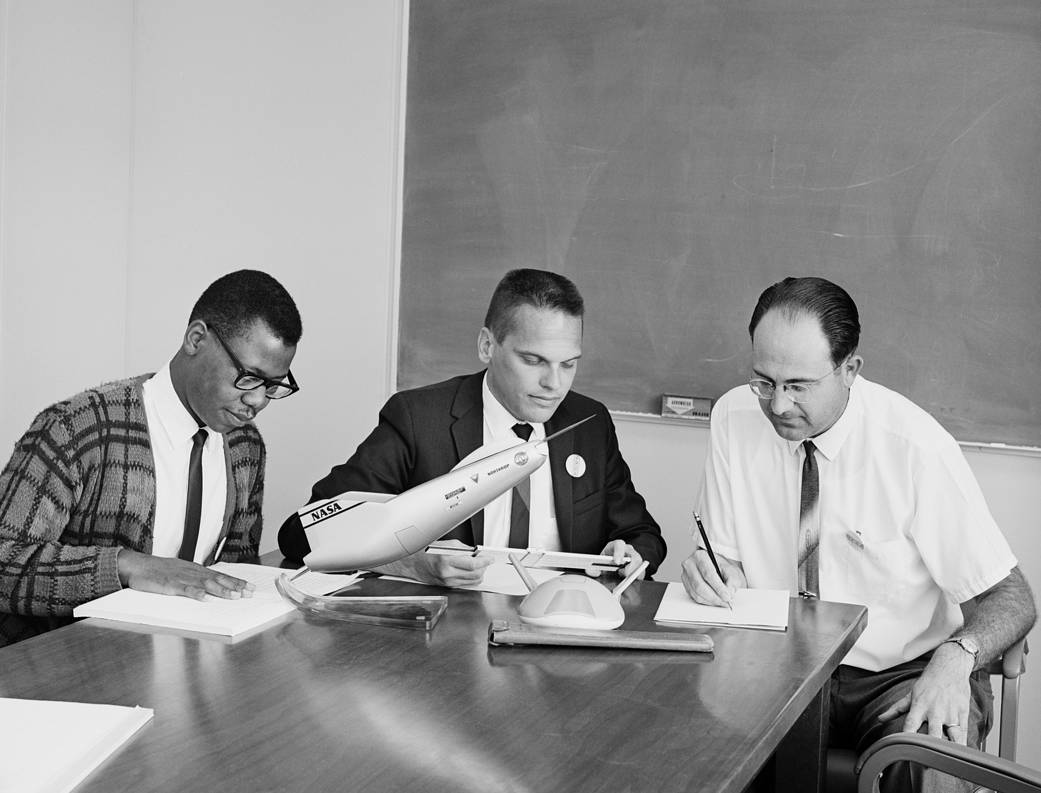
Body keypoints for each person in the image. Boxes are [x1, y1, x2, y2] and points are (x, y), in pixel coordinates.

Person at [680, 276, 1035, 793]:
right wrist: (709, 573)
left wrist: (957, 658)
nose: (777, 405)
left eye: (799, 386)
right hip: (776, 661)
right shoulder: (734, 417)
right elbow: (724, 560)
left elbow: (1011, 597)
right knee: (682, 745)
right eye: (764, 381)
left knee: (923, 763)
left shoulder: (914, 447)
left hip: (899, 671)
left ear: (850, 370)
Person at [279, 268, 665, 586]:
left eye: (569, 364)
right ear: (487, 346)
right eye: (534, 361)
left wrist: (628, 553)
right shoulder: (418, 419)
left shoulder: (589, 423)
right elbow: (305, 533)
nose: (555, 384)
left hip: (562, 635)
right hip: (449, 640)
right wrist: (411, 565)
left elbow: (643, 535)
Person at [0, 269, 302, 648]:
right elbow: (5, 562)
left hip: (187, 672)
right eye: (249, 377)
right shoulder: (76, 428)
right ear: (196, 339)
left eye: (274, 385)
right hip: (65, 675)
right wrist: (130, 566)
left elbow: (231, 576)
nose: (258, 400)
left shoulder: (244, 446)